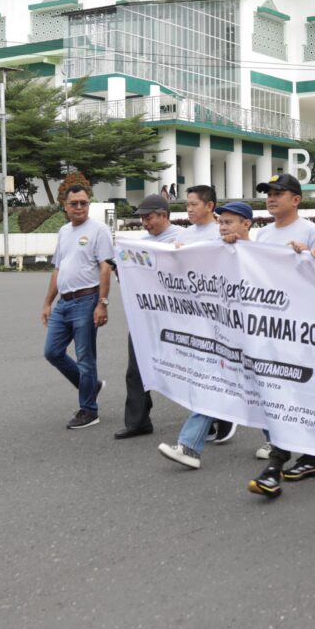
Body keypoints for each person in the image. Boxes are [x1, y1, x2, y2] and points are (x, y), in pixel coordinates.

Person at [247, 174, 315, 494]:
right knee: (277, 392)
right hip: (271, 326)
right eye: (268, 193)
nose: (271, 197)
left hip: (302, 328)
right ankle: (300, 459)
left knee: (302, 393)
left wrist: (307, 260)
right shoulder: (264, 234)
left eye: (278, 193)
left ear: (296, 199)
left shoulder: (312, 233)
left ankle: (286, 463)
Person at [157, 201, 255, 469]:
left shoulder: (259, 254)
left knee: (260, 391)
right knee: (212, 384)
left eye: (229, 222)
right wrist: (180, 256)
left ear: (246, 224)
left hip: (253, 338)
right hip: (221, 336)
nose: (222, 227)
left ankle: (282, 445)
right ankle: (189, 447)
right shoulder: (215, 251)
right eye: (220, 222)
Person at [41, 184, 114, 429]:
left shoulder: (99, 230)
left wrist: (102, 304)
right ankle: (90, 386)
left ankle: (89, 410)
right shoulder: (63, 232)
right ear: (65, 206)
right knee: (52, 352)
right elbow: (58, 268)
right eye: (75, 204)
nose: (80, 207)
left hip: (86, 300)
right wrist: (48, 302)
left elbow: (106, 267)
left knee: (85, 357)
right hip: (64, 303)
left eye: (84, 202)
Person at [173, 184, 237, 445]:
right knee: (197, 366)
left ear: (209, 206)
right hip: (192, 311)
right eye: (186, 205)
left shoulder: (221, 232)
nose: (188, 209)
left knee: (218, 367)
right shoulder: (185, 235)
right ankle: (213, 418)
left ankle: (223, 418)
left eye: (193, 204)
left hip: (218, 313)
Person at [116, 194, 181, 439]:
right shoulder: (140, 244)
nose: (144, 222)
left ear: (164, 215)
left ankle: (214, 419)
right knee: (136, 367)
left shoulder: (181, 239)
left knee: (190, 366)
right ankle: (138, 420)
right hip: (146, 315)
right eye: (142, 218)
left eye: (149, 217)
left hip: (176, 317)